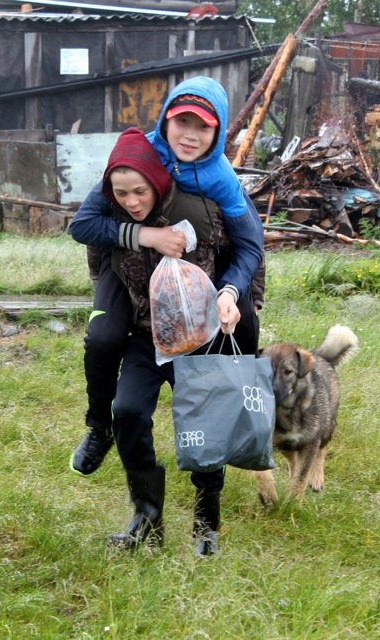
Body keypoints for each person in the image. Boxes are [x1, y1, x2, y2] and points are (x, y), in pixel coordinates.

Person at [69, 75, 264, 477]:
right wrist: (147, 235)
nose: (189, 136)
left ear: (219, 130)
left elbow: (251, 245)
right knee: (103, 338)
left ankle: (241, 415)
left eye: (203, 127)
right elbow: (83, 224)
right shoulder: (141, 154)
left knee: (243, 325)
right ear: (164, 120)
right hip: (127, 265)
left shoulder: (222, 181)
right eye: (182, 122)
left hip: (196, 272)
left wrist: (233, 291)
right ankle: (99, 427)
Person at [85, 127, 255, 556]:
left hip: (198, 338)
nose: (132, 202)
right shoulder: (113, 215)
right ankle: (147, 518)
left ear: (156, 182)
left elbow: (247, 253)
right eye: (122, 194)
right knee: (126, 412)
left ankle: (207, 525)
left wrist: (236, 300)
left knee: (204, 429)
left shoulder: (201, 206)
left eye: (139, 191)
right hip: (146, 337)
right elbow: (97, 259)